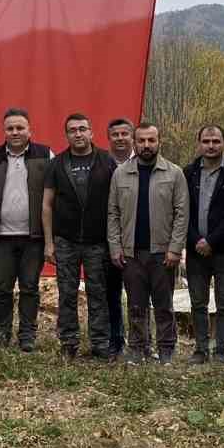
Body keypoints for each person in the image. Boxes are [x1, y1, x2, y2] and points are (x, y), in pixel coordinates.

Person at [108, 121, 188, 365]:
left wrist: (175, 249)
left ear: (159, 142)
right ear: (134, 142)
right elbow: (113, 213)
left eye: (151, 140)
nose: (146, 145)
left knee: (164, 305)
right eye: (141, 140)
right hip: (131, 253)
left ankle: (166, 350)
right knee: (135, 305)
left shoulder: (174, 173)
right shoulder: (121, 173)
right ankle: (137, 348)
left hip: (162, 253)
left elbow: (182, 213)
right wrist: (115, 247)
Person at [42, 113, 116, 359]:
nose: (78, 134)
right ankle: (68, 342)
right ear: (66, 135)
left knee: (98, 293)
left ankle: (99, 343)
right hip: (66, 241)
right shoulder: (57, 164)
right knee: (67, 293)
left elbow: (117, 204)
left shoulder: (107, 161)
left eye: (82, 129)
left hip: (98, 241)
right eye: (72, 130)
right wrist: (49, 243)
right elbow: (47, 205)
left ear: (91, 132)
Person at [0, 108, 52, 351]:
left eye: (20, 128)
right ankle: (2, 333)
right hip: (1, 237)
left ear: (29, 130)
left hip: (34, 236)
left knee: (30, 287)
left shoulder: (45, 155)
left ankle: (27, 335)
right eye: (10, 128)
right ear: (4, 131)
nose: (15, 132)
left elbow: (54, 197)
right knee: (1, 288)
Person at [184, 124, 224, 365]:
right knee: (197, 301)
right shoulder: (188, 172)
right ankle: (201, 349)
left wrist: (212, 240)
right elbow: (182, 211)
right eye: (206, 141)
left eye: (216, 141)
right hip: (195, 249)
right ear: (199, 143)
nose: (211, 146)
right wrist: (196, 240)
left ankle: (221, 350)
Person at [104, 119, 136, 356]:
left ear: (132, 137)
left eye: (125, 133)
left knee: (140, 297)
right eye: (115, 134)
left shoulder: (145, 162)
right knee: (111, 294)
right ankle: (115, 341)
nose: (120, 138)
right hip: (109, 241)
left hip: (140, 240)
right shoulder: (102, 164)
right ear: (108, 138)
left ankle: (142, 343)